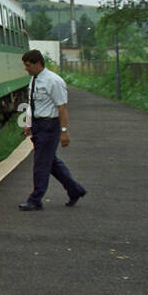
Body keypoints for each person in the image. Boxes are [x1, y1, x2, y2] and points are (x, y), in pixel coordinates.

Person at [18, 49, 89, 211]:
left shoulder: (53, 81)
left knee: (41, 164)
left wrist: (64, 131)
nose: (26, 68)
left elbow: (62, 108)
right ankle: (75, 190)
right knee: (51, 163)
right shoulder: (34, 80)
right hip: (38, 125)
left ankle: (35, 199)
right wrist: (29, 123)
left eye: (28, 65)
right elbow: (33, 103)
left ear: (38, 63)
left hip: (50, 126)